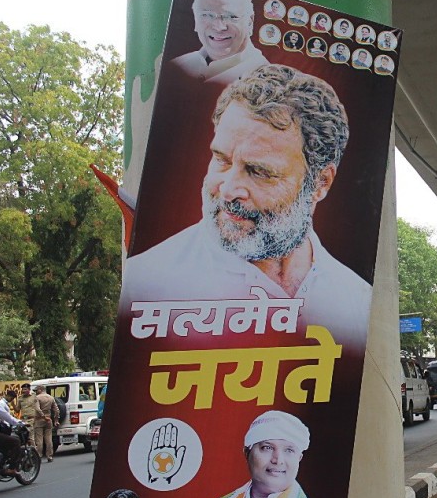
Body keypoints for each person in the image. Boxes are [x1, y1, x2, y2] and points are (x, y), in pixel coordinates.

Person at [122, 64, 372, 353]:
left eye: (259, 171)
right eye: (222, 160)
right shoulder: (148, 284)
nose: (229, 190)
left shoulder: (355, 298)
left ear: (320, 182)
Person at [200, 411, 329, 498]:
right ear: (247, 453)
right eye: (267, 448)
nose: (278, 460)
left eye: (289, 450)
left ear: (299, 458)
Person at [170, 0, 269, 86]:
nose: (219, 27)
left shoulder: (265, 80)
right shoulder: (176, 66)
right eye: (207, 15)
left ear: (249, 22)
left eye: (231, 16)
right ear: (196, 21)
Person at [32, 383, 60, 462]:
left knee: (39, 439)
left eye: (36, 390)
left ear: (40, 390)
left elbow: (37, 409)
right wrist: (56, 420)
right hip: (49, 420)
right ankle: (49, 456)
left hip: (39, 419)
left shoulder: (37, 398)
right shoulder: (51, 398)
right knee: (48, 439)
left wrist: (43, 416)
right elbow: (56, 410)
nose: (35, 392)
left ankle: (39, 455)